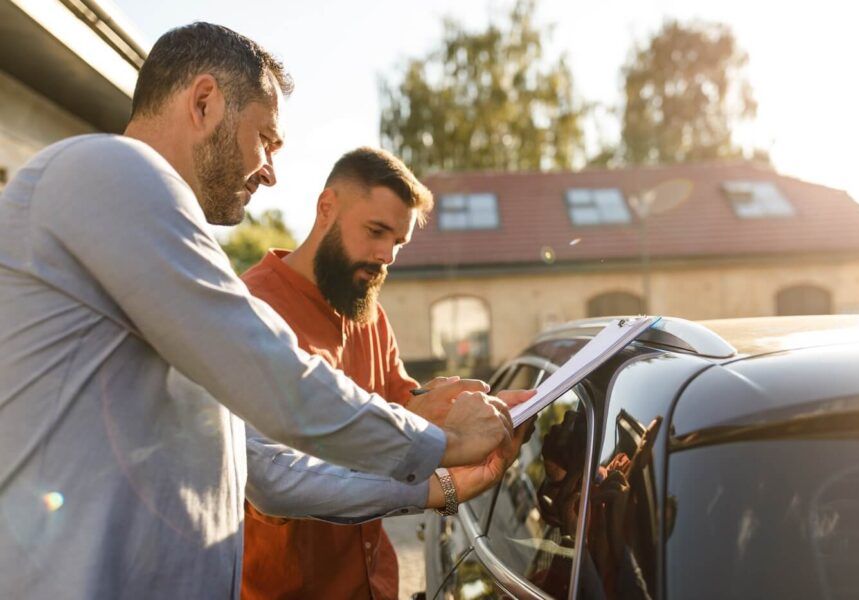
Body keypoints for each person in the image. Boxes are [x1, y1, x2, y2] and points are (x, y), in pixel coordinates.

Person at [0, 23, 514, 599]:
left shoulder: (154, 255)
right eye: (265, 138)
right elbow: (276, 376)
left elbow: (268, 472)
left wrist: (433, 488)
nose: (270, 169)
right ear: (203, 102)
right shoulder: (108, 170)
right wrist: (439, 446)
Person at [237, 147, 531, 599]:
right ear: (326, 208)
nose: (386, 256)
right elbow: (275, 476)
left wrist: (487, 410)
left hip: (376, 586)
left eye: (398, 242)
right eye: (376, 231)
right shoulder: (251, 311)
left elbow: (404, 409)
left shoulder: (369, 315)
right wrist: (441, 466)